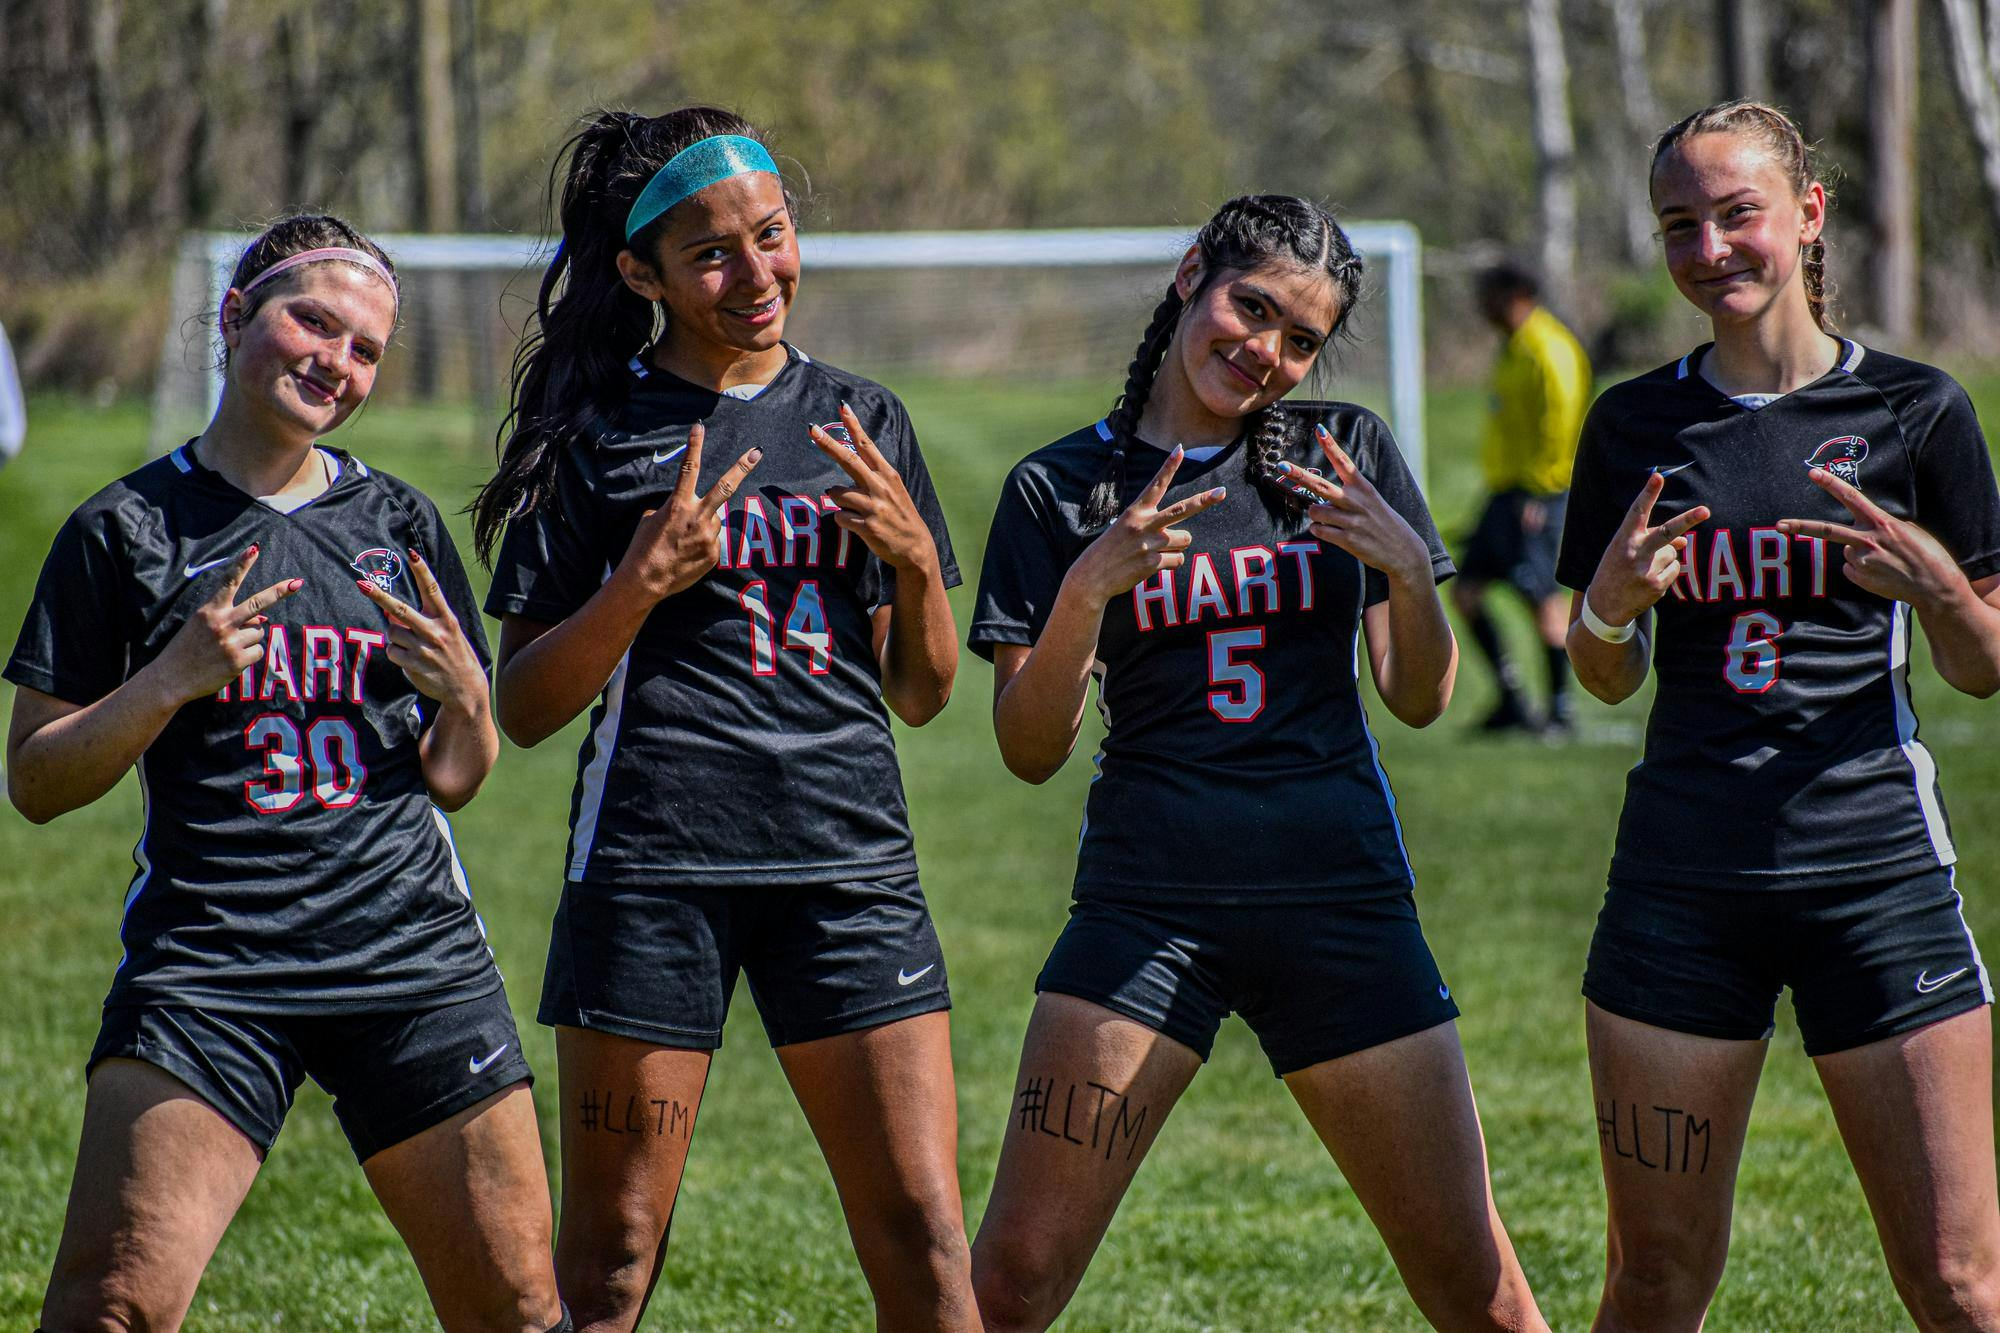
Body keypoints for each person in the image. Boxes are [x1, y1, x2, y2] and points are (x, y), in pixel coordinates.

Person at [966, 194, 1549, 1333]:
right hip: (1147, 904)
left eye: (1299, 337)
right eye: (1252, 307)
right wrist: (1087, 588)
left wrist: (1409, 574)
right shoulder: (1058, 485)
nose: (1265, 350)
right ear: (1193, 273)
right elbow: (1029, 750)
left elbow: (1419, 695)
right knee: (1010, 1283)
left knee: (1476, 1289)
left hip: (1339, 898)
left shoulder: (1342, 453)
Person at [6, 216, 567, 1333]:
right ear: (235, 316)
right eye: (314, 322)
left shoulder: (399, 522)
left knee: (515, 1305)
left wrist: (467, 698)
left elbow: (456, 776)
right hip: (212, 963)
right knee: (111, 1307)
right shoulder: (122, 529)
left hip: (409, 956)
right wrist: (169, 680)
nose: (337, 362)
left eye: (365, 350)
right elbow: (36, 777)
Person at [471, 108, 974, 1332]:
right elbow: (522, 707)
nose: (756, 274)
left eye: (773, 234)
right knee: (610, 1261)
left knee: (925, 1238)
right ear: (640, 274)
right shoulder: (594, 436)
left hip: (848, 867)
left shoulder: (862, 417)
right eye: (711, 254)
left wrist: (915, 563)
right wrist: (637, 585)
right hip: (653, 869)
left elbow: (920, 692)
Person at [1559, 100, 2000, 1331]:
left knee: (1959, 1285)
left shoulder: (1916, 410)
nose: (1708, 250)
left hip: (1875, 875)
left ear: (1805, 214)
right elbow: (1604, 674)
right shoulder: (1632, 426)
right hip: (1679, 884)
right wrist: (1604, 610)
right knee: (1652, 1281)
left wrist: (1936, 587)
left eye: (1734, 214)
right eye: (1677, 226)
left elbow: (1980, 667)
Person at [1453, 262, 1591, 735]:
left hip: (1538, 493)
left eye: (1489, 297)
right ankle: (1511, 698)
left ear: (1516, 296)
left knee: (1541, 599)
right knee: (1466, 592)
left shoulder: (1548, 348)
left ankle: (1560, 711)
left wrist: (1542, 491)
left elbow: (1563, 424)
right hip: (1505, 492)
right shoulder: (1512, 347)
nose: (1482, 308)